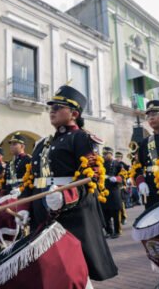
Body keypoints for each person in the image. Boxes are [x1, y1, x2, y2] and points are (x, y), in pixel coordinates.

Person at [26, 85, 118, 281]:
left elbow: (91, 176)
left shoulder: (81, 138)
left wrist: (64, 196)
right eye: (51, 107)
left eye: (58, 107)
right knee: (47, 265)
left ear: (74, 113)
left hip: (71, 211)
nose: (52, 110)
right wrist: (25, 206)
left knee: (72, 268)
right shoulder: (43, 143)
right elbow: (32, 179)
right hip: (41, 209)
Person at [132, 99, 159, 210]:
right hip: (151, 189)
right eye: (148, 116)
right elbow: (137, 166)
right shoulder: (145, 142)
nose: (151, 118)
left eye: (155, 114)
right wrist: (140, 182)